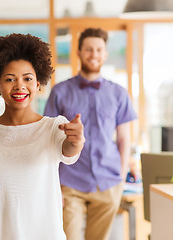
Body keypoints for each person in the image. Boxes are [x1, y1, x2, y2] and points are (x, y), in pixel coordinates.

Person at [0, 33, 85, 240]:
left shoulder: (54, 128)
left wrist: (77, 141)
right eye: (10, 79)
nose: (20, 86)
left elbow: (69, 150)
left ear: (38, 84)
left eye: (27, 78)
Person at [44, 27, 137, 240]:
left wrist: (121, 179)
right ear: (78, 52)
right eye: (88, 49)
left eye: (98, 49)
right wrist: (55, 185)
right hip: (70, 183)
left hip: (108, 181)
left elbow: (124, 139)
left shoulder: (118, 93)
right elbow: (49, 141)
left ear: (105, 54)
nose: (93, 54)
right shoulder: (60, 92)